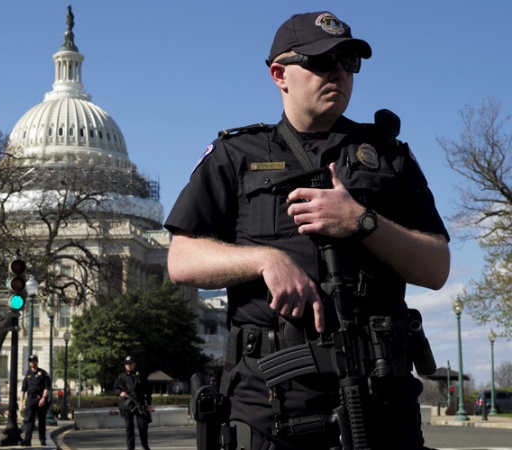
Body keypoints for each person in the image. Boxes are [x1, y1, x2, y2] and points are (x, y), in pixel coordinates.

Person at [165, 11, 450, 450]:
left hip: (383, 406)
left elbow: (436, 268)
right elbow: (181, 259)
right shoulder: (235, 155)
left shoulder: (389, 157)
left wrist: (361, 221)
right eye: (320, 61)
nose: (338, 71)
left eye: (348, 61)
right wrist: (264, 260)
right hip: (271, 411)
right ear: (279, 74)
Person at [112, 356, 153, 450]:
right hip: (126, 405)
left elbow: (148, 391)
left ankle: (145, 446)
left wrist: (149, 404)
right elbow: (114, 389)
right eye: (126, 364)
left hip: (139, 404)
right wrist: (120, 393)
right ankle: (130, 448)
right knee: (129, 428)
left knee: (143, 427)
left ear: (134, 364)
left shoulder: (140, 376)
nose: (128, 365)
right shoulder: (121, 376)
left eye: (130, 363)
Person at [19, 354, 51, 447]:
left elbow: (47, 387)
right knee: (29, 420)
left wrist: (44, 398)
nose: (32, 362)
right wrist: (21, 402)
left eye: (33, 361)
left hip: (40, 399)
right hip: (30, 399)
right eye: (30, 361)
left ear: (37, 361)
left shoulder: (43, 373)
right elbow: (23, 389)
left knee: (41, 420)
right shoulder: (28, 374)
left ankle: (42, 439)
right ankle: (27, 440)